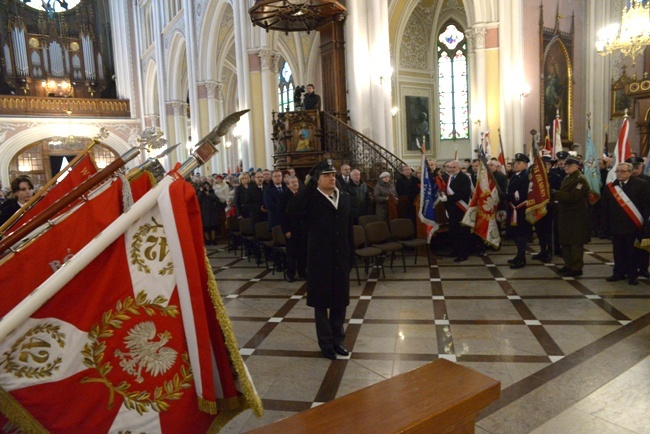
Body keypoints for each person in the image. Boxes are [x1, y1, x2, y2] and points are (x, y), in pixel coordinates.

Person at [289, 159, 354, 360]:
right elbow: (293, 211)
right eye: (326, 175)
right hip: (319, 260)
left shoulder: (344, 198)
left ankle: (338, 341)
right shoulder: (310, 199)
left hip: (340, 257)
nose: (332, 178)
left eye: (333, 175)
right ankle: (325, 343)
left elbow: (348, 230)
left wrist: (350, 255)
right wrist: (309, 185)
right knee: (321, 303)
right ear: (317, 179)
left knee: (339, 303)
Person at [602, 162, 650, 285]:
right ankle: (618, 273)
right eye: (617, 171)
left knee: (632, 252)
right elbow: (605, 208)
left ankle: (632, 275)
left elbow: (646, 206)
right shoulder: (611, 187)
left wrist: (645, 225)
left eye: (622, 171)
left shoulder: (641, 185)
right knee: (618, 251)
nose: (619, 174)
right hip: (616, 225)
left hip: (634, 225)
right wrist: (606, 226)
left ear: (630, 172)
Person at [553, 157, 591, 276]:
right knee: (565, 242)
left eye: (569, 166)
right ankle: (568, 264)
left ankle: (576, 268)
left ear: (576, 166)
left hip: (576, 216)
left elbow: (573, 197)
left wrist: (555, 193)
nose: (566, 168)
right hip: (566, 215)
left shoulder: (580, 180)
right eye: (566, 165)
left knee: (575, 243)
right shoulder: (568, 177)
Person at [439, 160, 472, 262]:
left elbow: (464, 193)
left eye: (454, 167)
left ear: (459, 167)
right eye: (450, 167)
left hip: (461, 209)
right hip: (452, 209)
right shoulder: (450, 177)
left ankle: (463, 254)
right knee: (454, 231)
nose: (452, 169)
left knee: (462, 232)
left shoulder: (464, 178)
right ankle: (455, 251)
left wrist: (448, 199)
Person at [506, 153, 531, 269]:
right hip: (513, 208)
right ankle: (518, 255)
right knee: (515, 234)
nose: (516, 165)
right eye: (515, 162)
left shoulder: (526, 176)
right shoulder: (515, 175)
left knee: (521, 235)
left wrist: (508, 195)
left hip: (520, 209)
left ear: (525, 165)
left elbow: (520, 193)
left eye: (519, 163)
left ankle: (522, 258)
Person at [279, 175, 306, 282]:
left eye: (296, 182)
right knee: (291, 253)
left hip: (302, 228)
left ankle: (302, 272)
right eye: (293, 182)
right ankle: (290, 273)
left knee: (302, 252)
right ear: (288, 184)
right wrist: (286, 230)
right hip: (291, 229)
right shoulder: (284, 196)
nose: (295, 184)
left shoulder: (301, 194)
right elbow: (282, 215)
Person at [197, 181, 219, 245]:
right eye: (205, 186)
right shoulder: (200, 192)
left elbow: (216, 198)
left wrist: (208, 194)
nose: (206, 187)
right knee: (205, 227)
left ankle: (213, 239)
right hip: (204, 212)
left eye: (207, 186)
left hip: (212, 211)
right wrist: (201, 192)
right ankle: (208, 239)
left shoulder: (211, 191)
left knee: (213, 226)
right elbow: (198, 199)